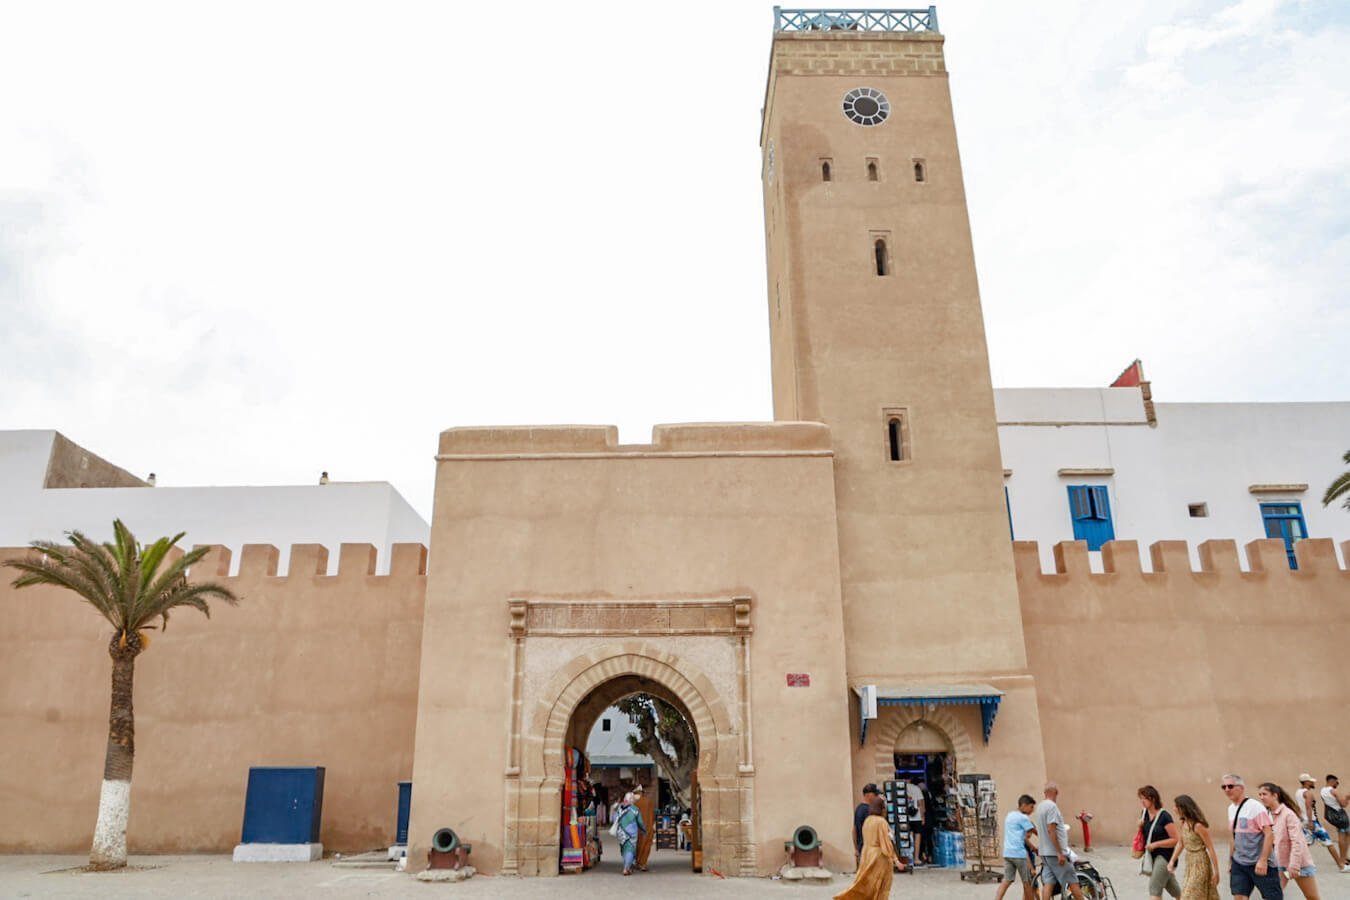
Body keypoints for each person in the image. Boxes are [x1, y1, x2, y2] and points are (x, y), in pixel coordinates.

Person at [1223, 773, 1282, 900]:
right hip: (1239, 863)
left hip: (1259, 863)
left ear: (1241, 788)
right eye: (1224, 787)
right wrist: (1231, 861)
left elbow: (1269, 834)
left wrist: (1263, 860)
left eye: (1230, 786)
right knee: (1239, 897)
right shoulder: (1231, 809)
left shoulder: (1255, 807)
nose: (1227, 789)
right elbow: (1233, 837)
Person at [834, 795, 904, 900]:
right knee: (880, 887)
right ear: (882, 808)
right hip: (879, 858)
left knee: (866, 884)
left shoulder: (868, 820)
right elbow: (885, 843)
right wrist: (896, 860)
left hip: (867, 855)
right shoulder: (881, 822)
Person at [1259, 782, 1320, 899]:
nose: (1261, 797)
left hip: (1298, 864)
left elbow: (1297, 841)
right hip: (1279, 863)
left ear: (1275, 795)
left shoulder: (1288, 814)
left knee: (1312, 897)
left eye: (1264, 794)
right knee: (1272, 896)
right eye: (1260, 794)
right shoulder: (1267, 815)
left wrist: (1295, 865)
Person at [1034, 781, 1084, 900]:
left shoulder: (1040, 807)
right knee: (1072, 881)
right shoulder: (1052, 807)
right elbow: (1052, 829)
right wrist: (1059, 852)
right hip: (1054, 853)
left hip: (1044, 852)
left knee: (1049, 883)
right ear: (1055, 793)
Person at [1166, 794, 1220, 900]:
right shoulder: (1183, 823)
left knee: (1190, 896)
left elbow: (1210, 848)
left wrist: (1216, 872)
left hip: (1201, 863)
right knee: (1195, 895)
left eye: (1176, 806)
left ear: (1183, 808)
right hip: (1190, 863)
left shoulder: (1198, 826)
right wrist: (1172, 861)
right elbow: (1181, 843)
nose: (1174, 809)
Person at [1139, 785, 1182, 899]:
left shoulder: (1164, 816)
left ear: (1153, 799)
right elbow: (1145, 835)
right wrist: (1139, 826)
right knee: (1173, 888)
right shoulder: (1144, 814)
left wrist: (1156, 844)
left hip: (1165, 856)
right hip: (1152, 856)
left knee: (1154, 888)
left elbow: (1175, 839)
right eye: (1141, 798)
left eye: (1144, 798)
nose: (1142, 801)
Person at [995, 794, 1038, 900]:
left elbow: (1022, 837)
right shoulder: (1023, 818)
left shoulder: (1010, 815)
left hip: (1008, 853)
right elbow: (1034, 831)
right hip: (1019, 854)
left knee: (1007, 880)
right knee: (1027, 882)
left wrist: (1032, 846)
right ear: (1023, 805)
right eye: (1031, 807)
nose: (1032, 810)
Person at [1295, 774, 1343, 870]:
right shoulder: (1308, 793)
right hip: (1311, 821)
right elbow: (1308, 808)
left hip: (1304, 821)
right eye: (1311, 781)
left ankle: (1295, 865)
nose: (1313, 783)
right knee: (1328, 842)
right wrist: (1310, 822)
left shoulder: (1298, 792)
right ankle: (1341, 866)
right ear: (1307, 782)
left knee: (1305, 844)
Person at [1320, 775, 1350, 873]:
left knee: (1346, 834)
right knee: (1343, 835)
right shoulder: (1333, 791)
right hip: (1340, 815)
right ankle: (1342, 859)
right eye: (1337, 783)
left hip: (1332, 815)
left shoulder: (1322, 791)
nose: (1337, 785)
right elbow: (1343, 804)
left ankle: (1344, 856)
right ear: (1333, 781)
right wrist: (1347, 797)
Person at [613, 791, 646, 875]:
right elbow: (640, 822)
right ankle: (626, 868)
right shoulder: (635, 810)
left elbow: (614, 819)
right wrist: (643, 830)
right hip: (631, 834)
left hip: (620, 833)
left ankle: (628, 866)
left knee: (624, 849)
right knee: (630, 850)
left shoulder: (619, 808)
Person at [853, 783, 882, 867]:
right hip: (870, 848)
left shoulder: (859, 809)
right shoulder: (869, 810)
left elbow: (854, 829)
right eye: (875, 794)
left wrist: (856, 848)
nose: (877, 797)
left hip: (862, 847)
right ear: (868, 795)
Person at [632, 782, 656, 871]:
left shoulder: (634, 803)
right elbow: (652, 815)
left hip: (637, 828)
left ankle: (638, 862)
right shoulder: (649, 801)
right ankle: (643, 863)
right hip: (648, 827)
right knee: (646, 845)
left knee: (637, 845)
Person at [907, 777, 927, 865]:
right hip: (917, 816)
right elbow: (921, 803)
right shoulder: (916, 788)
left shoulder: (902, 788)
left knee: (909, 836)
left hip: (906, 817)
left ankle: (909, 857)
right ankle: (916, 858)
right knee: (917, 837)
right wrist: (923, 816)